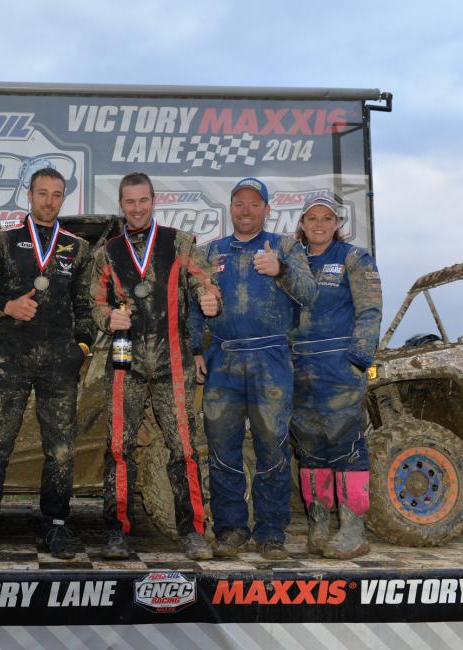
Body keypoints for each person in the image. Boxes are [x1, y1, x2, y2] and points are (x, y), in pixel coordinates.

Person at [0, 166, 94, 563]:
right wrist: (7, 306)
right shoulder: (2, 241)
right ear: (29, 195)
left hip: (59, 363)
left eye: (56, 194)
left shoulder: (77, 248)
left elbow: (86, 306)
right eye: (42, 193)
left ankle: (56, 525)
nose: (49, 201)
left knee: (61, 450)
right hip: (9, 359)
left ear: (63, 198)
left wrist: (81, 348)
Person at [90, 172, 219, 561]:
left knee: (184, 448)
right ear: (121, 204)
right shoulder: (107, 253)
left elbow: (205, 283)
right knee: (119, 448)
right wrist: (107, 318)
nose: (137, 208)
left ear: (153, 200)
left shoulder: (179, 243)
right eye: (129, 202)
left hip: (172, 362)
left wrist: (210, 298)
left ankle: (192, 532)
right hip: (124, 362)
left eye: (143, 200)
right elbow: (95, 303)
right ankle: (116, 531)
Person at [189, 177, 317, 560]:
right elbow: (193, 305)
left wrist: (281, 270)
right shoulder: (209, 253)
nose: (246, 211)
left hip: (271, 357)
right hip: (223, 357)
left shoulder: (286, 247)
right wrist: (196, 349)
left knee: (272, 447)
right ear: (230, 208)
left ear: (266, 209)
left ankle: (271, 533)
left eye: (254, 203)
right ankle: (230, 531)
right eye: (239, 204)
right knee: (222, 448)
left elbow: (309, 293)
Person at [290, 195, 382, 559]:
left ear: (337, 223)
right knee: (309, 447)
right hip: (299, 366)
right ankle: (318, 527)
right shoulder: (293, 261)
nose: (319, 224)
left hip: (339, 364)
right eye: (312, 218)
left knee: (346, 445)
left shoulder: (353, 258)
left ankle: (353, 531)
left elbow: (370, 309)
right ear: (302, 224)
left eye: (326, 218)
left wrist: (358, 358)